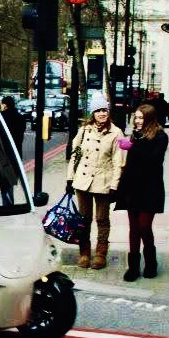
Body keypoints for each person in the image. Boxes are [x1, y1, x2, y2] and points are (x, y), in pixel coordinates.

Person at [66, 93, 125, 270]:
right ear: (93, 113)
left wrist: (115, 185)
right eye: (98, 110)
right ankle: (84, 252)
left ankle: (100, 253)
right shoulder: (83, 131)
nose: (102, 113)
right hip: (82, 181)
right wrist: (69, 179)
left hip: (104, 182)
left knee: (102, 219)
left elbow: (119, 162)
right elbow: (74, 156)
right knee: (84, 219)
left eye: (104, 110)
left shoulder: (117, 133)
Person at [114, 104, 168, 281]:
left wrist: (132, 146)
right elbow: (131, 164)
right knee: (134, 228)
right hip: (132, 186)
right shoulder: (136, 135)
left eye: (141, 118)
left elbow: (154, 160)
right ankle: (134, 267)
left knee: (144, 226)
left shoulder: (161, 136)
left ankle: (151, 262)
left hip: (150, 187)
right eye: (136, 117)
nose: (137, 121)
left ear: (150, 119)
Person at [0, 96, 26, 206]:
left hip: (2, 156)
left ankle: (8, 208)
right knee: (9, 184)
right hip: (15, 155)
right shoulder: (21, 118)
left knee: (5, 186)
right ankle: (8, 206)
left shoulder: (1, 117)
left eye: (2, 104)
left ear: (5, 105)